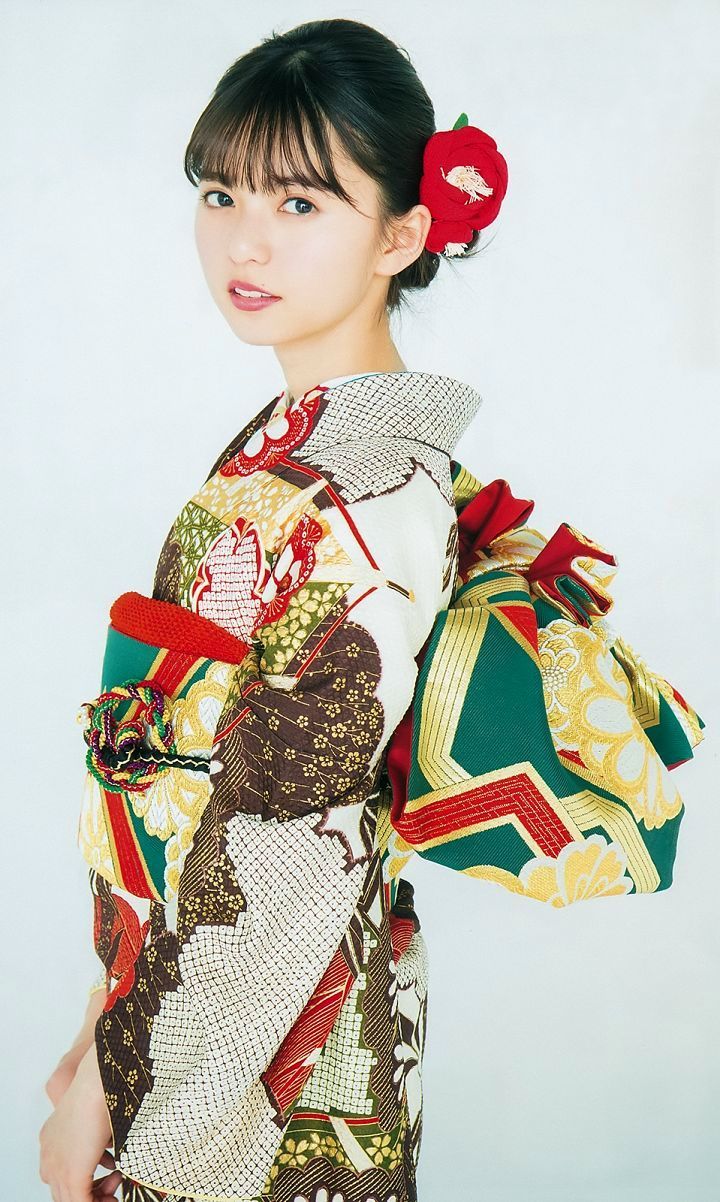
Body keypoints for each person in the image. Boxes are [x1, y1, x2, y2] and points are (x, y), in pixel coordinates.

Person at [39, 17, 506, 1202]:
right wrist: (102, 1025)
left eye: (300, 202)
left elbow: (285, 850)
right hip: (198, 998)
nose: (244, 238)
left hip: (261, 1056)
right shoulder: (300, 451)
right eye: (220, 192)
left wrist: (124, 1101)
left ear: (401, 233)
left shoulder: (367, 493)